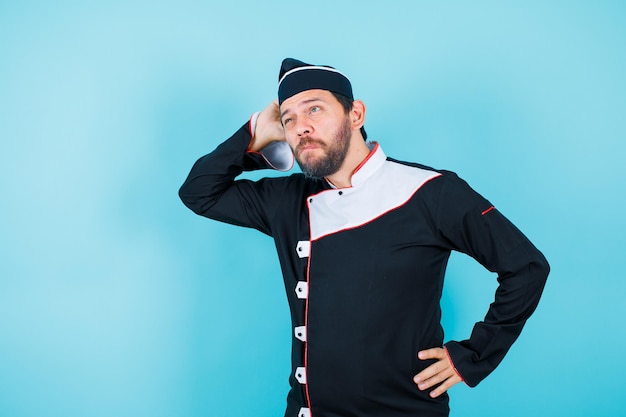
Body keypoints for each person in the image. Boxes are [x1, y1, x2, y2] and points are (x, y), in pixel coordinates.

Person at [179, 58, 550, 417]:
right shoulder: (286, 201)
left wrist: (472, 357)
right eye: (288, 119)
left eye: (314, 110)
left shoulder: (430, 191)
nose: (300, 127)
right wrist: (257, 133)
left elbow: (527, 267)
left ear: (355, 114)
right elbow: (199, 192)